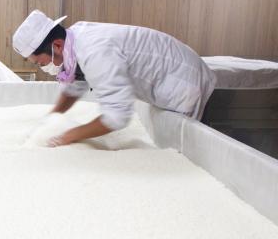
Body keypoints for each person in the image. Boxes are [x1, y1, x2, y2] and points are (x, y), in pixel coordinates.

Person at [12, 10, 216, 146]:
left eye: (40, 63)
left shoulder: (94, 52)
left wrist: (67, 137)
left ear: (56, 45)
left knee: (182, 148)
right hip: (174, 75)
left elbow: (117, 116)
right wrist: (50, 120)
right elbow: (74, 86)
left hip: (183, 82)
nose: (42, 67)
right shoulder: (74, 41)